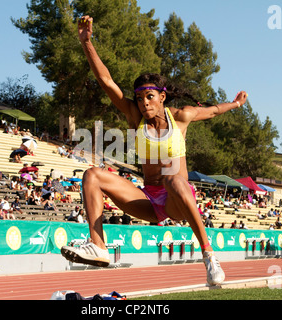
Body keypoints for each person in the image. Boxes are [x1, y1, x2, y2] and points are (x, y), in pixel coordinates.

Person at [60, 16, 248, 286]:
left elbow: (214, 111)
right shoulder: (135, 118)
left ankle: (209, 256)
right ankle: (99, 247)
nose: (143, 103)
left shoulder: (181, 116)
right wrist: (87, 43)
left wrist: (235, 104)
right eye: (139, 98)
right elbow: (106, 81)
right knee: (92, 175)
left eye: (149, 97)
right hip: (148, 200)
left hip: (178, 199)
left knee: (173, 178)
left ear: (161, 96)